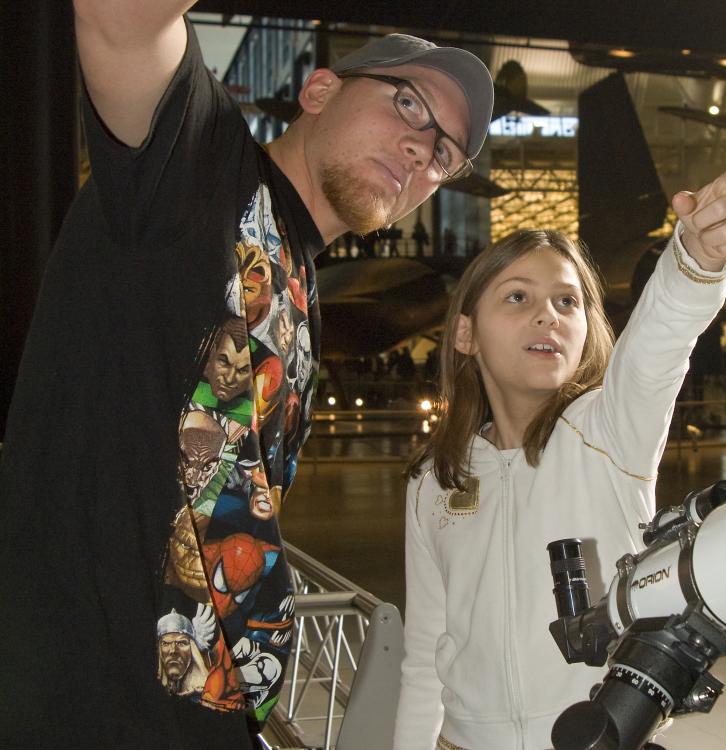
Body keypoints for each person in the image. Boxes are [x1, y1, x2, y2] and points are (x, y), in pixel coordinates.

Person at [0, 3, 493, 747]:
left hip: (203, 716)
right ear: (320, 90)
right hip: (87, 704)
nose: (423, 150)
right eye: (408, 102)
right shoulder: (200, 172)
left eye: (446, 155)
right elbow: (120, 21)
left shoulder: (302, 290)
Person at [393, 145, 726, 749]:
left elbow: (657, 347)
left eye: (569, 301)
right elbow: (424, 655)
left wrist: (695, 259)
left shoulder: (609, 432)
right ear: (465, 332)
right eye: (518, 296)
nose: (549, 314)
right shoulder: (434, 481)